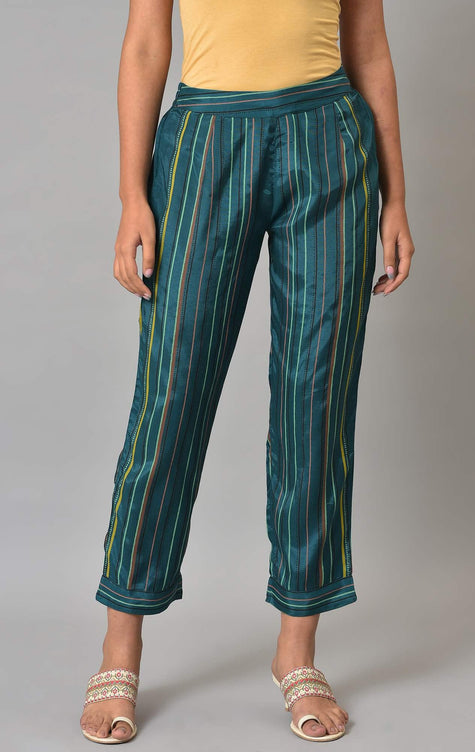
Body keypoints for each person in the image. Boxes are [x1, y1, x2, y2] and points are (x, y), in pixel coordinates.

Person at [80, 0, 415, 744]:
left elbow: (367, 43)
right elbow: (145, 46)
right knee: (171, 396)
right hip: (206, 139)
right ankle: (119, 647)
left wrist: (397, 196)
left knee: (316, 401)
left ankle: (298, 648)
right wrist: (132, 195)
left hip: (329, 137)